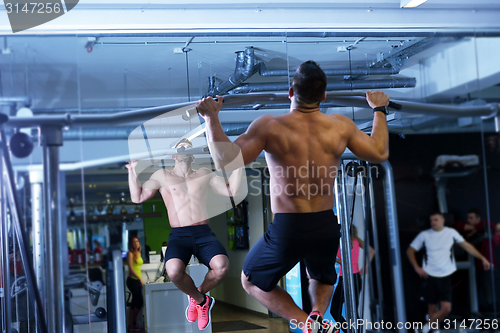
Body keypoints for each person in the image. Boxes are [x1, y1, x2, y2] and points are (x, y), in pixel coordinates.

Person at [196, 60, 390, 333]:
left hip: (289, 226)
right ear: (323, 96)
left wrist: (210, 118)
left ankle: (305, 324)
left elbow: (225, 162)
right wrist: (379, 110)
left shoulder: (270, 126)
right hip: (325, 223)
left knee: (251, 281)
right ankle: (318, 317)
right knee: (322, 276)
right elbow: (379, 152)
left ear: (290, 92)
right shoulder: (341, 126)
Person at [127, 138, 243, 330]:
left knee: (222, 266)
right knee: (173, 270)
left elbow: (231, 190)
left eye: (189, 150)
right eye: (180, 149)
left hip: (203, 233)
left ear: (193, 155)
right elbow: (137, 197)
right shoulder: (162, 175)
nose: (184, 152)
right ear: (173, 155)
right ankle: (201, 300)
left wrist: (238, 165)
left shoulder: (204, 174)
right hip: (179, 235)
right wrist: (132, 171)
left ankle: (198, 295)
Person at [407, 212, 491, 333]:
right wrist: (416, 267)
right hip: (430, 276)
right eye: (431, 220)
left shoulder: (451, 233)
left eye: (435, 220)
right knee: (432, 308)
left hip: (445, 276)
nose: (433, 223)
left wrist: (482, 258)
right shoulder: (424, 235)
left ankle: (424, 329)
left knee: (446, 308)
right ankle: (434, 331)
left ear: (442, 220)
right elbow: (410, 250)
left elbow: (466, 246)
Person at [330, 225, 374, 333]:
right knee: (355, 310)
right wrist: (365, 267)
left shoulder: (342, 241)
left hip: (346, 278)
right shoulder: (355, 239)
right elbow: (371, 251)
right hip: (356, 278)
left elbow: (345, 262)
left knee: (335, 310)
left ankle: (349, 331)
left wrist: (334, 259)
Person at [454, 208, 496, 311]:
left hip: (486, 266)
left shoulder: (485, 226)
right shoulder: (468, 228)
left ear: (478, 218)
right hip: (474, 267)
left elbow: (488, 224)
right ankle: (482, 314)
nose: (469, 220)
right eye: (468, 218)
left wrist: (474, 231)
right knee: (471, 294)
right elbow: (457, 225)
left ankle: (493, 313)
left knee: (489, 293)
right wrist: (473, 229)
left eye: (471, 218)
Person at [126, 236, 145, 332]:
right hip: (132, 280)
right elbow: (131, 268)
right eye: (133, 242)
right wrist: (139, 279)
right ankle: (132, 323)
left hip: (137, 280)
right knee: (138, 302)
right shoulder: (130, 254)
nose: (136, 243)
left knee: (135, 303)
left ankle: (131, 324)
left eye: (137, 241)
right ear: (131, 244)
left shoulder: (138, 253)